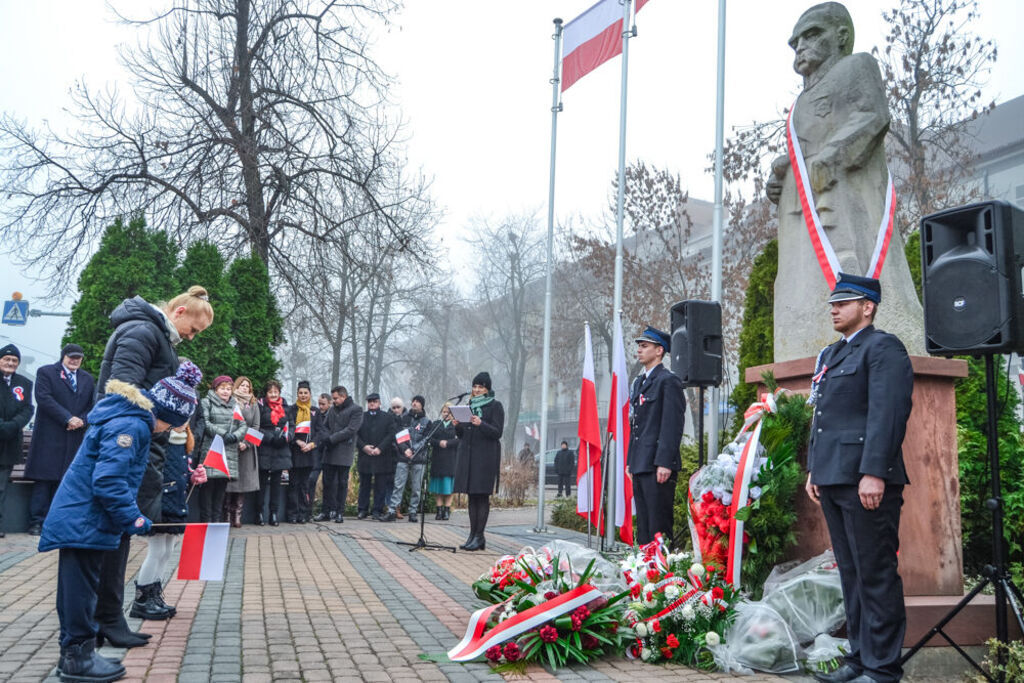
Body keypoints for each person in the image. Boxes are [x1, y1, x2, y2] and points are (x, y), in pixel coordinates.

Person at [765, 2, 922, 361]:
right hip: (807, 212)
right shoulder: (800, 101)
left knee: (854, 260)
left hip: (849, 198)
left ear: (841, 35)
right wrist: (782, 179)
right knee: (802, 282)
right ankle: (803, 342)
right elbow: (805, 155)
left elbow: (873, 115)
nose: (800, 45)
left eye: (811, 34)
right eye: (795, 41)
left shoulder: (857, 66)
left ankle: (880, 326)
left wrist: (833, 155)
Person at [39, 363, 200, 683]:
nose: (168, 431)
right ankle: (76, 658)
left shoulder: (129, 417)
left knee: (80, 589)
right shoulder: (133, 426)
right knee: (80, 592)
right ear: (167, 415)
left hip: (85, 519)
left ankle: (78, 653)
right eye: (171, 425)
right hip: (84, 520)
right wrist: (134, 518)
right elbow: (110, 481)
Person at [805, 273, 913, 683]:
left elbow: (888, 414)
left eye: (843, 302)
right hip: (833, 477)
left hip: (865, 480)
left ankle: (882, 668)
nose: (833, 308)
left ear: (867, 307)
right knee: (851, 574)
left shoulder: (883, 347)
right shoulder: (832, 354)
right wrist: (815, 467)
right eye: (833, 302)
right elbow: (824, 418)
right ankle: (859, 659)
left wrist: (874, 472)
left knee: (875, 572)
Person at [94, 285, 214, 649]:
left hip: (141, 445)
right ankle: (107, 618)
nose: (191, 338)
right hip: (128, 445)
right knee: (116, 535)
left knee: (121, 535)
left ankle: (110, 616)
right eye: (192, 330)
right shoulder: (143, 332)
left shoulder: (153, 335)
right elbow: (121, 389)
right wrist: (156, 421)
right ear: (178, 313)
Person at [129, 361, 207, 622]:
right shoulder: (157, 433)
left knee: (169, 547)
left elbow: (181, 463)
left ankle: (154, 590)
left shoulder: (183, 437)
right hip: (160, 494)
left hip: (175, 492)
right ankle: (142, 595)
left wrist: (192, 473)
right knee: (157, 547)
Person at [24, 344, 93, 535]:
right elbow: (44, 398)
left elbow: (91, 405)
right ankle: (37, 522)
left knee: (66, 482)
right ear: (63, 356)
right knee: (44, 482)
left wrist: (82, 420)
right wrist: (67, 418)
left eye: (78, 357)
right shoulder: (47, 373)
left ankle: (60, 522)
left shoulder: (87, 379)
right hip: (50, 436)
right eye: (71, 357)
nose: (74, 360)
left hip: (74, 437)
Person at [627, 326, 685, 546]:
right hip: (641, 463)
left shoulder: (668, 381)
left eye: (645, 346)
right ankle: (645, 574)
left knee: (658, 527)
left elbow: (672, 425)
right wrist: (630, 461)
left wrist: (664, 462)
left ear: (659, 350)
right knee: (643, 526)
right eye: (639, 346)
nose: (639, 351)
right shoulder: (640, 383)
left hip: (657, 465)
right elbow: (637, 425)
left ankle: (663, 573)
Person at [452, 372, 504, 551]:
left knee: (481, 497)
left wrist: (481, 423)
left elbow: (497, 432)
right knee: (472, 497)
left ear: (487, 389)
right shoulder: (470, 406)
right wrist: (458, 426)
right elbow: (463, 435)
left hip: (485, 459)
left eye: (481, 387)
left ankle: (480, 536)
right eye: (475, 386)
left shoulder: (496, 406)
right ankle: (472, 535)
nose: (476, 390)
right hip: (469, 458)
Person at [195, 375, 246, 522]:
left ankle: (216, 525)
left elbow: (242, 425)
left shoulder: (235, 405)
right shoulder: (206, 402)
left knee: (220, 493)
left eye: (229, 389)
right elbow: (206, 422)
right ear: (215, 389)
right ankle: (205, 523)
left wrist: (235, 436)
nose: (225, 392)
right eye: (222, 388)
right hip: (211, 451)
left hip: (228, 453)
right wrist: (224, 434)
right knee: (207, 490)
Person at [0, 344, 34, 539]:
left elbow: (28, 409)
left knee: (1, 486)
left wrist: (13, 425)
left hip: (10, 442)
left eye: (14, 361)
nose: (10, 363)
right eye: (7, 359)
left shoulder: (24, 383)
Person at [317, 385, 362, 523]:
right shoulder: (332, 410)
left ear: (343, 396)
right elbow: (324, 426)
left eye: (336, 398)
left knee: (342, 483)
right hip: (329, 452)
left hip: (343, 453)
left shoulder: (356, 410)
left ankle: (339, 512)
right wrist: (325, 437)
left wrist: (331, 439)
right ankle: (325, 511)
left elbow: (351, 430)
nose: (334, 401)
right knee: (327, 483)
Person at [387, 395, 431, 523]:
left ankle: (412, 512)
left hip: (419, 458)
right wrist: (405, 449)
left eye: (418, 402)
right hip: (403, 456)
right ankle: (392, 511)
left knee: (416, 487)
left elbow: (426, 439)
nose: (415, 403)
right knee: (398, 485)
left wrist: (414, 450)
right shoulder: (404, 419)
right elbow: (399, 436)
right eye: (413, 401)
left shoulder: (427, 422)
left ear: (422, 405)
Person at [225, 376, 261, 527]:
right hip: (231, 446)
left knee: (242, 484)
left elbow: (256, 426)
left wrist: (246, 443)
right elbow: (227, 422)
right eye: (242, 385)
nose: (245, 388)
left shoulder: (253, 404)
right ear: (236, 387)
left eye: (248, 386)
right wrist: (235, 440)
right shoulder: (229, 401)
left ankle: (237, 515)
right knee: (228, 482)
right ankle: (226, 515)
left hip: (246, 449)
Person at [355, 393, 395, 521]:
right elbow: (355, 434)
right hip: (365, 455)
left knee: (380, 485)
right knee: (364, 484)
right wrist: (364, 447)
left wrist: (380, 448)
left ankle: (377, 510)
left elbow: (391, 434)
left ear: (379, 403)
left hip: (382, 456)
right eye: (370, 401)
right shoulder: (361, 417)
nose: (372, 404)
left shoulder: (387, 417)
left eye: (374, 401)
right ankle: (362, 509)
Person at [258, 380, 292, 527]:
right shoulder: (260, 406)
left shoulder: (286, 407)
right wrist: (270, 437)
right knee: (262, 482)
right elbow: (256, 426)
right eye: (270, 392)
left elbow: (292, 426)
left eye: (276, 392)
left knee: (277, 484)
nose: (273, 395)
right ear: (266, 394)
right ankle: (259, 512)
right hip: (265, 447)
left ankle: (274, 513)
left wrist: (286, 437)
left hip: (281, 448)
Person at [286, 381, 319, 524]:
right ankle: (292, 514)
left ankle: (303, 513)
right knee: (293, 484)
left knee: (304, 485)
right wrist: (296, 441)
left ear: (310, 394)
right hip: (294, 452)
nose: (303, 395)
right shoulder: (291, 410)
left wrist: (312, 444)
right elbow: (287, 430)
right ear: (297, 394)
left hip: (309, 453)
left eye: (306, 393)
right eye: (301, 393)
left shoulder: (315, 411)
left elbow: (321, 432)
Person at [428, 404, 459, 521]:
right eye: (444, 411)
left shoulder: (456, 425)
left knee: (449, 487)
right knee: (438, 486)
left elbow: (460, 440)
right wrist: (439, 442)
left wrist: (448, 443)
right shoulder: (436, 424)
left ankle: (447, 510)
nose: (446, 414)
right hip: (438, 458)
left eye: (449, 412)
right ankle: (439, 510)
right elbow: (430, 438)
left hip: (451, 459)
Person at [307, 392, 331, 517]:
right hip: (315, 453)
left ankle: (328, 510)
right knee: (311, 480)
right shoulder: (315, 414)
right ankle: (308, 509)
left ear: (329, 403)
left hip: (328, 452)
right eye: (319, 404)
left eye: (323, 404)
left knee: (329, 483)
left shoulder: (331, 415)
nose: (320, 407)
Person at [384, 397, 408, 518]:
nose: (396, 410)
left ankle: (397, 508)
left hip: (402, 454)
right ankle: (389, 507)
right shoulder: (387, 419)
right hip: (389, 454)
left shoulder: (407, 419)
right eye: (393, 407)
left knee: (398, 483)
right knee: (389, 482)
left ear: (402, 407)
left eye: (398, 407)